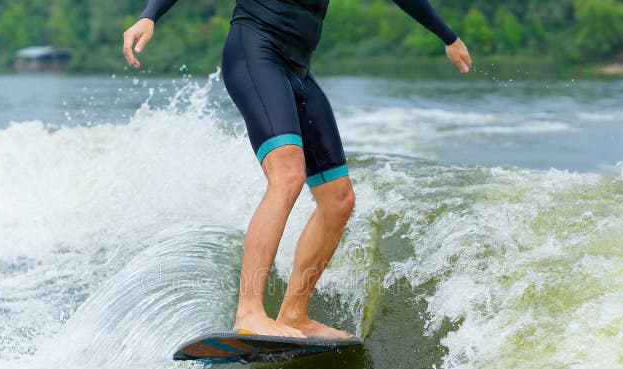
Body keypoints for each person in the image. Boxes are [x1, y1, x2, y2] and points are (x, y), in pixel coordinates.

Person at [124, 0, 472, 339]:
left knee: (339, 200)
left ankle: (295, 314)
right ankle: (249, 313)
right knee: (287, 176)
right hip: (255, 52)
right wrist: (150, 15)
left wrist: (449, 37)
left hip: (299, 69)